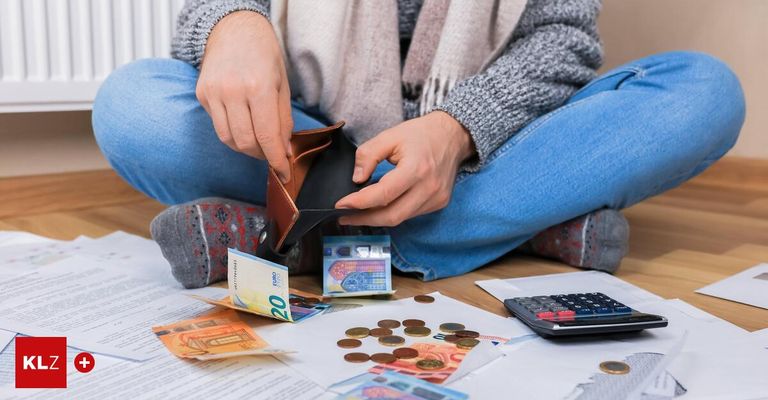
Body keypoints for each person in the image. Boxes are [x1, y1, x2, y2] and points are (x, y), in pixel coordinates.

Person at [92, 0, 745, 289]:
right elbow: (211, 14)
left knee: (703, 92)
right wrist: (231, 23)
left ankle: (300, 233)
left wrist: (458, 128)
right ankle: (519, 228)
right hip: (312, 138)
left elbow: (562, 40)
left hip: (483, 145)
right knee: (131, 103)